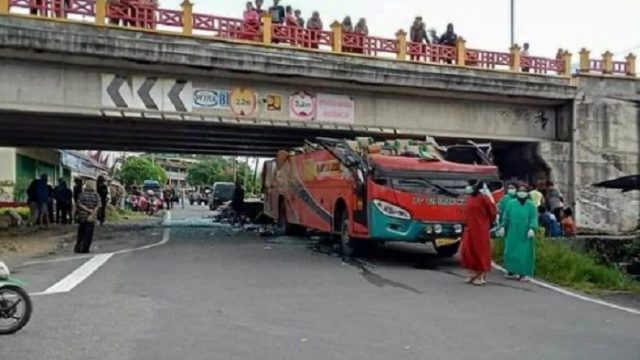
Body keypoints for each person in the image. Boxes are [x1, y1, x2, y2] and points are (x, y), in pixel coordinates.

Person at [460, 179, 497, 286]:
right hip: (469, 228)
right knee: (467, 251)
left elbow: (492, 212)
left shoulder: (484, 199)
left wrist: (488, 223)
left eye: (470, 185)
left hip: (480, 229)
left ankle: (481, 274)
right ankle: (472, 272)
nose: (467, 187)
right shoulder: (470, 198)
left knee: (480, 251)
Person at [502, 185, 539, 282]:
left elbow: (533, 218)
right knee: (510, 251)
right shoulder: (511, 203)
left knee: (524, 253)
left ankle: (523, 273)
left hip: (525, 233)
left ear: (527, 193)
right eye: (520, 191)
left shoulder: (531, 206)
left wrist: (532, 228)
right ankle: (511, 271)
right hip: (512, 232)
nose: (521, 193)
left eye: (524, 191)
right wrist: (502, 226)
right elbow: (506, 216)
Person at [74, 180, 101, 254]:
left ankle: (78, 247)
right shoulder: (96, 195)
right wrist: (92, 211)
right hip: (91, 217)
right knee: (89, 233)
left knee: (81, 232)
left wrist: (87, 210)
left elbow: (79, 204)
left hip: (82, 216)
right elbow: (98, 205)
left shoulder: (82, 194)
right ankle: (85, 248)